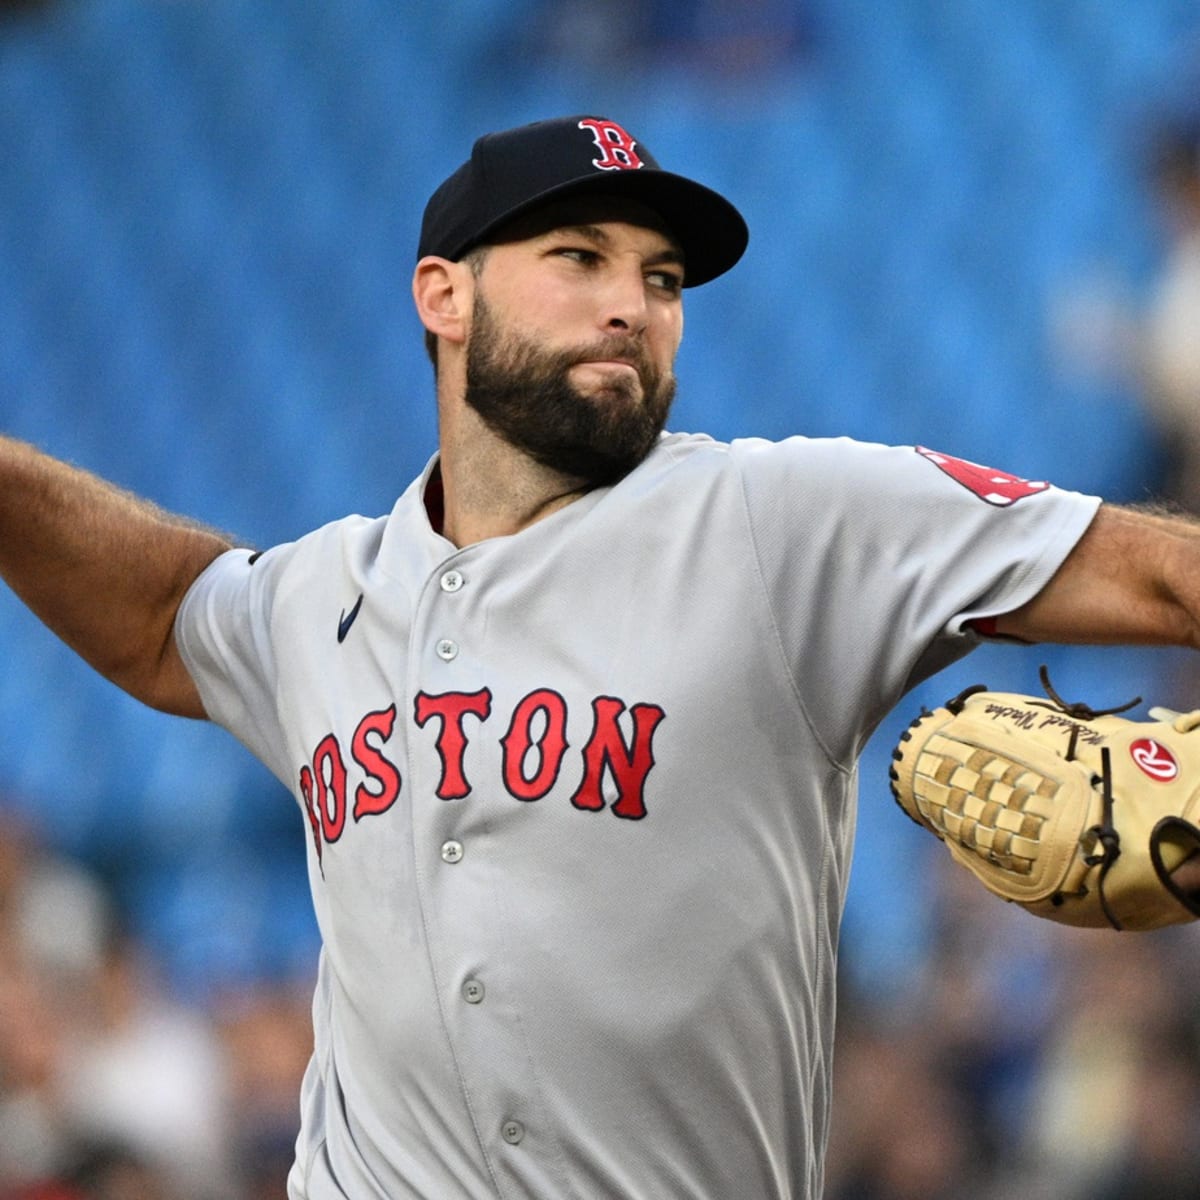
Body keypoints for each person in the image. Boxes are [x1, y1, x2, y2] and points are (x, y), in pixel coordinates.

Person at [3, 113, 1200, 1200]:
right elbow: (166, 615)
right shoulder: (324, 596)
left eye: (663, 277)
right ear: (443, 297)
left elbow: (1160, 573)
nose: (632, 302)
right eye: (579, 257)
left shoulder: (784, 520)